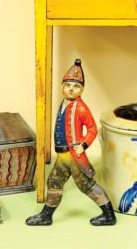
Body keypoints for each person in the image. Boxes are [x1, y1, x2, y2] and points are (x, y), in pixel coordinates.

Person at [26, 58, 116, 226]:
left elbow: (92, 129)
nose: (71, 89)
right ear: (62, 87)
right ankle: (46, 216)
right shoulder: (63, 104)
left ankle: (109, 215)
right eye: (68, 85)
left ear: (81, 91)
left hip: (73, 156)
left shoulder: (81, 108)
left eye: (75, 87)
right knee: (54, 182)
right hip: (62, 156)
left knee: (86, 185)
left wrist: (83, 146)